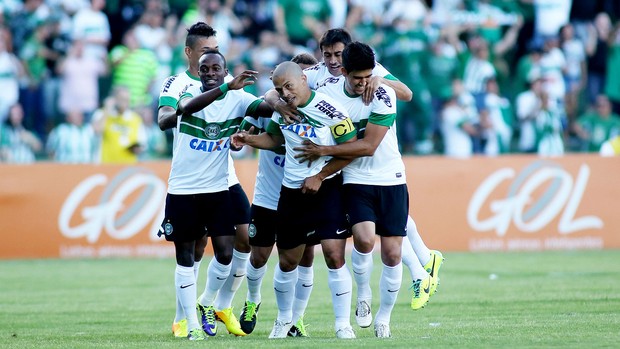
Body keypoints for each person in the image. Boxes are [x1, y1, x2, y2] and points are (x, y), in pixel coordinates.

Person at [267, 28, 442, 313]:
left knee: (388, 230)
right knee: (367, 233)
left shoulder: (368, 71)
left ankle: (422, 267)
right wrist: (279, 104)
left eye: (338, 54)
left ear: (348, 53)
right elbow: (274, 90)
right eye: (328, 55)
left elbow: (407, 94)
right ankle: (416, 266)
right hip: (347, 170)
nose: (333, 60)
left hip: (372, 162)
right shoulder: (315, 74)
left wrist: (377, 80)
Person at [292, 41, 414, 338]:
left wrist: (322, 150)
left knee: (393, 253)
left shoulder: (383, 93)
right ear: (343, 72)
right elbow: (284, 88)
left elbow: (370, 146)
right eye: (357, 78)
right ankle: (362, 294)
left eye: (368, 76)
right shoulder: (328, 95)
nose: (364, 84)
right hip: (355, 179)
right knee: (363, 240)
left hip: (391, 176)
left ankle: (384, 318)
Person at [231, 61, 358, 339]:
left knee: (335, 256)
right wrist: (248, 140)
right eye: (279, 89)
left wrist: (321, 175)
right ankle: (283, 320)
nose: (285, 93)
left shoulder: (330, 109)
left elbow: (351, 149)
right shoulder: (283, 111)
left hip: (326, 190)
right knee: (288, 261)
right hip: (290, 192)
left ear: (303, 79)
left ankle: (342, 325)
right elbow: (276, 140)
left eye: (289, 86)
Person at [161, 50, 272, 341]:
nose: (210, 73)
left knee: (226, 253)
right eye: (205, 69)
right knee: (185, 257)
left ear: (224, 70)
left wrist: (286, 96)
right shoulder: (188, 93)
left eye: (216, 69)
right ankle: (191, 325)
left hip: (218, 188)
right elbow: (185, 110)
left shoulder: (239, 99)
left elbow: (266, 109)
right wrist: (226, 86)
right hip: (183, 190)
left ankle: (207, 302)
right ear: (198, 73)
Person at [237, 53, 319, 338]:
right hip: (269, 196)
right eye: (284, 85)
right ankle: (252, 299)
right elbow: (254, 119)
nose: (290, 90)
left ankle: (296, 319)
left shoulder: (320, 109)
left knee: (305, 258)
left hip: (302, 197)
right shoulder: (271, 107)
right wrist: (243, 138)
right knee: (258, 255)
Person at [91, 86, 146, 164]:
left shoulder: (135, 119)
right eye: (122, 99)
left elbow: (142, 143)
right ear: (114, 99)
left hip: (128, 167)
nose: (125, 103)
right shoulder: (102, 114)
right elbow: (97, 130)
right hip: (106, 165)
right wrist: (107, 109)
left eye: (127, 100)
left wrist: (137, 149)